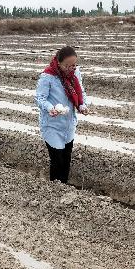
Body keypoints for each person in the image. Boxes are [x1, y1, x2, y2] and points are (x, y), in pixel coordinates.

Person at [35, 46, 90, 184]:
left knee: (66, 158)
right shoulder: (48, 76)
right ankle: (55, 187)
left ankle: (63, 186)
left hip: (68, 123)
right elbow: (40, 98)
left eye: (74, 65)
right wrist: (50, 108)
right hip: (52, 124)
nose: (72, 68)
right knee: (57, 159)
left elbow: (80, 91)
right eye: (68, 65)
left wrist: (82, 105)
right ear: (59, 63)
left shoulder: (75, 73)